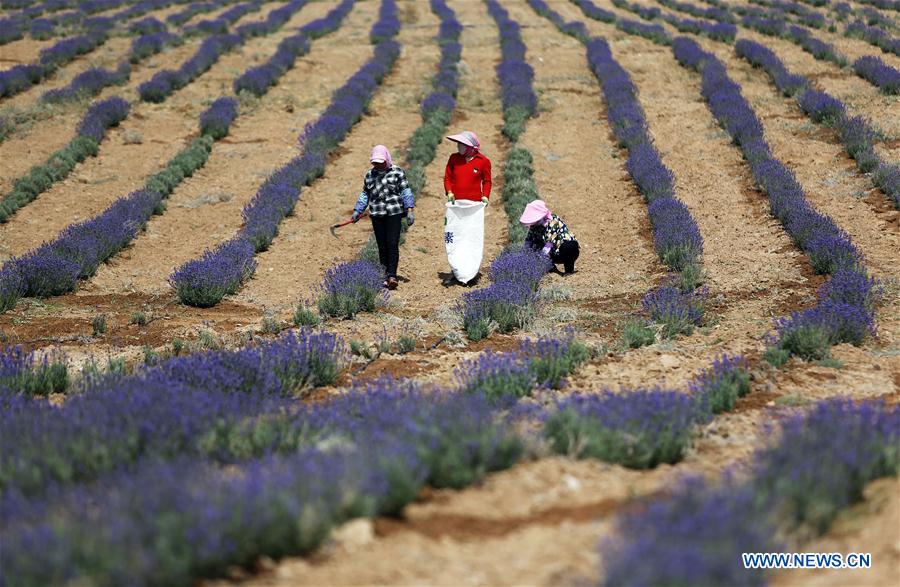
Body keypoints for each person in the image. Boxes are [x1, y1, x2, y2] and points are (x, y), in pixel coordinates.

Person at [351, 145, 414, 290]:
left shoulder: (397, 172)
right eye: (375, 162)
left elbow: (405, 191)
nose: (378, 165)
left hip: (394, 213)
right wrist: (357, 210)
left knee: (392, 243)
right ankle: (384, 275)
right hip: (377, 214)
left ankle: (392, 275)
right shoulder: (369, 175)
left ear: (386, 159)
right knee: (382, 246)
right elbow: (365, 194)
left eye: (380, 162)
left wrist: (410, 209)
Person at [520, 200, 580, 274]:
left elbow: (549, 244)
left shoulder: (553, 221)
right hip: (552, 253)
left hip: (563, 251)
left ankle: (569, 271)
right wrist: (524, 256)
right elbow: (528, 241)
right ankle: (550, 268)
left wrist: (541, 260)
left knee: (568, 246)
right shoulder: (535, 226)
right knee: (534, 246)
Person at [444, 131, 491, 204]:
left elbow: (487, 181)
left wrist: (485, 196)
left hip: (474, 204)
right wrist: (449, 192)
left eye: (462, 144)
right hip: (455, 202)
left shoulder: (483, 161)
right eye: (458, 143)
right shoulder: (454, 158)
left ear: (470, 147)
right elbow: (447, 178)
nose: (459, 146)